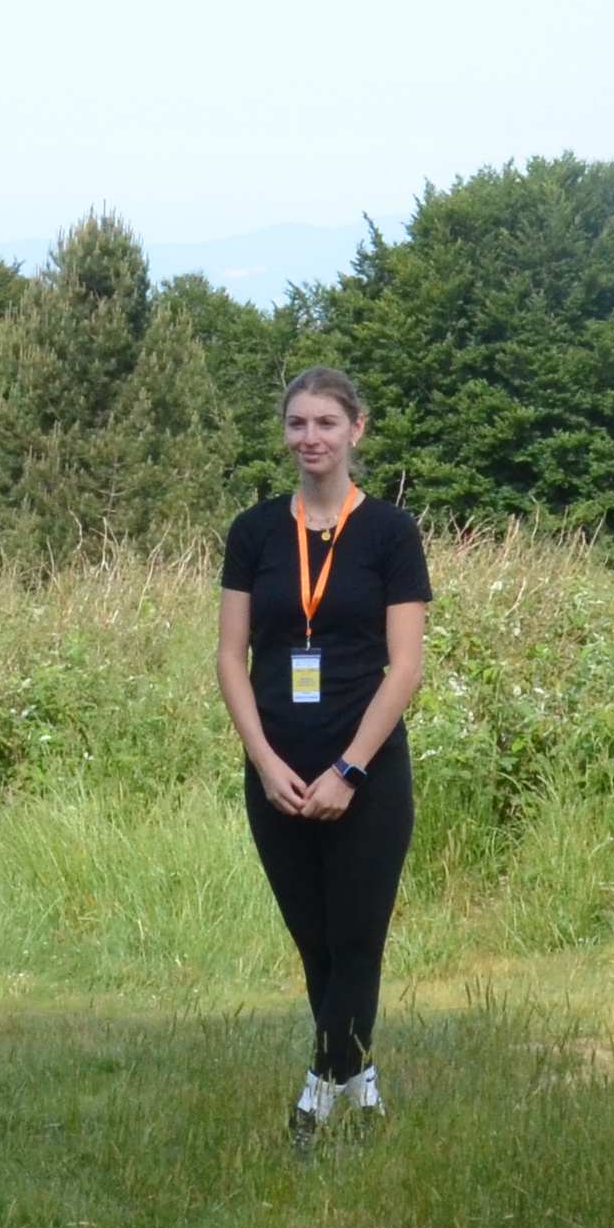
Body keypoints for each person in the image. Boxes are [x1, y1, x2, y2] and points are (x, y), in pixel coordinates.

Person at [213, 365, 431, 1145]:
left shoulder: (391, 534)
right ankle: (361, 1086)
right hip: (277, 773)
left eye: (326, 423)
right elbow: (230, 657)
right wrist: (264, 762)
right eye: (298, 423)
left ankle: (316, 1096)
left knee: (357, 941)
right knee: (316, 944)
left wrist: (349, 769)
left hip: (364, 773)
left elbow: (405, 667)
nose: (311, 438)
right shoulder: (253, 532)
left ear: (356, 429)